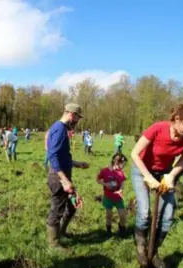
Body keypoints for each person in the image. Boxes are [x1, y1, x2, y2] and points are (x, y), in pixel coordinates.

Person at [130, 101, 183, 268]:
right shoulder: (158, 128)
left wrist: (171, 176)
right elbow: (134, 153)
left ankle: (154, 250)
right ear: (177, 119)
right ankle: (141, 249)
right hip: (141, 170)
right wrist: (148, 177)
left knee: (167, 216)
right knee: (144, 213)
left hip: (164, 173)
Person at [46, 103, 89, 250]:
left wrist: (76, 163)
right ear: (71, 114)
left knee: (72, 205)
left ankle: (62, 232)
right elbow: (52, 155)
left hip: (64, 174)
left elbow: (62, 155)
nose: (77, 121)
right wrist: (64, 180)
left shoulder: (62, 129)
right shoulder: (59, 129)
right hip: (58, 177)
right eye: (77, 118)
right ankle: (54, 244)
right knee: (57, 210)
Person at [97, 153, 128, 237]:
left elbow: (122, 183)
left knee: (122, 215)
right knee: (109, 215)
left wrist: (121, 190)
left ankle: (121, 228)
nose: (123, 167)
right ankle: (109, 231)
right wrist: (105, 184)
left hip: (118, 198)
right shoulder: (105, 170)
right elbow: (98, 179)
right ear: (116, 162)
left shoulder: (121, 173)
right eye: (122, 165)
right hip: (108, 198)